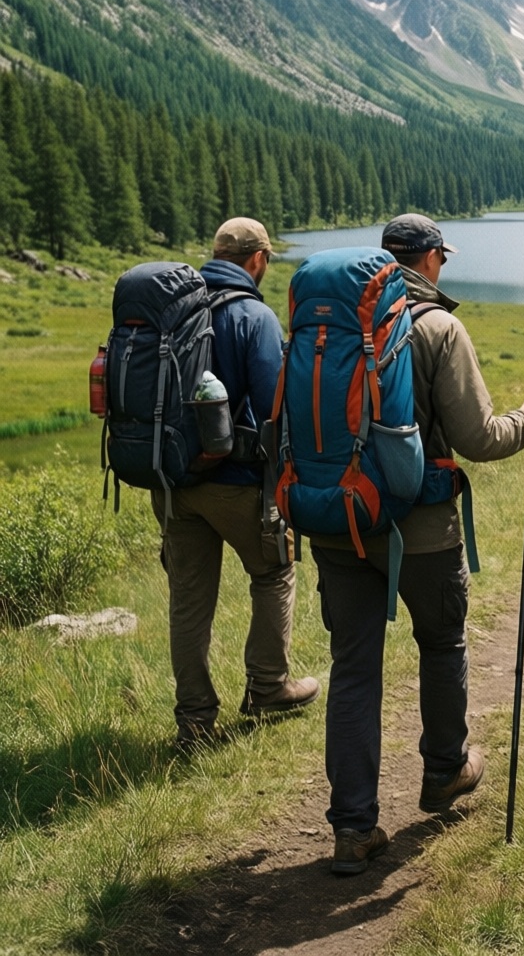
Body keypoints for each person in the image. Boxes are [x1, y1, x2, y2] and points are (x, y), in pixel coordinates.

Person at [309, 214, 524, 876]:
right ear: (433, 260)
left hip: (339, 523)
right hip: (421, 532)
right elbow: (478, 438)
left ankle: (353, 827)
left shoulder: (326, 322)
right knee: (442, 643)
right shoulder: (437, 327)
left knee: (353, 668)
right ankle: (444, 770)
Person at [152, 217, 319, 752]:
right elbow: (277, 404)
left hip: (174, 482)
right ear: (259, 260)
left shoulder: (173, 311)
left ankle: (195, 721)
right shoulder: (254, 316)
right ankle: (269, 686)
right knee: (274, 572)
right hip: (238, 481)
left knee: (188, 600)